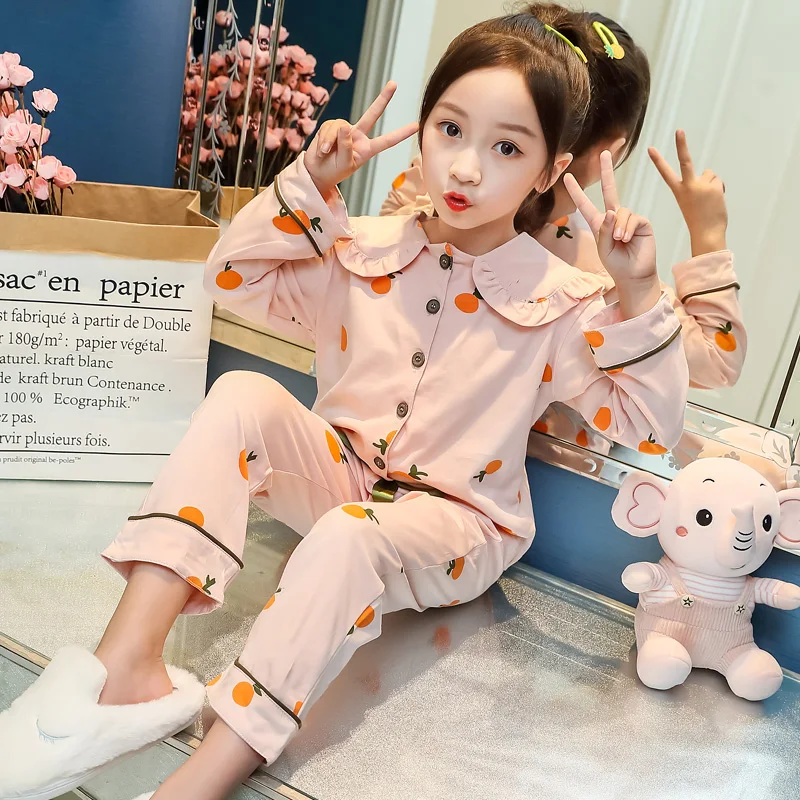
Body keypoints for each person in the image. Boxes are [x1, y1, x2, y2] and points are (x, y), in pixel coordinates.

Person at [0, 13, 688, 800]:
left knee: (349, 536)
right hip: (343, 478)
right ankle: (125, 667)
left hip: (458, 525)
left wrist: (639, 293)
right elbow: (232, 280)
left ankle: (204, 778)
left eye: (507, 148)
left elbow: (647, 428)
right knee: (243, 395)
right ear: (421, 127)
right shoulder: (362, 247)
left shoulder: (562, 301)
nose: (466, 167)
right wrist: (309, 183)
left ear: (550, 171)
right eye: (450, 129)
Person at [383, 3, 743, 456]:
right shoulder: (594, 274)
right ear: (612, 149)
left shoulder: (429, 187)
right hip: (547, 473)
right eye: (451, 128)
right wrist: (708, 232)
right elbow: (716, 361)